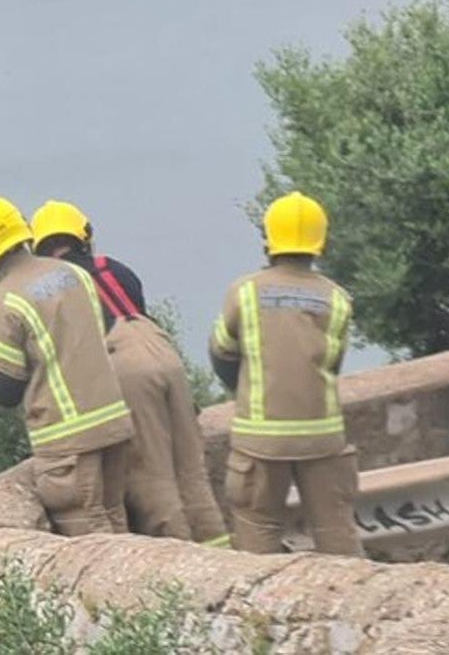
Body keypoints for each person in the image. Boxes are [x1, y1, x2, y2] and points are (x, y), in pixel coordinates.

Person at [29, 200, 229, 546]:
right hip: (163, 351)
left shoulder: (50, 287)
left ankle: (182, 566)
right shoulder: (114, 268)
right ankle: (221, 555)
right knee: (190, 468)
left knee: (152, 477)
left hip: (121, 364)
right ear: (84, 237)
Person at [0, 195, 134, 536]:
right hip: (112, 423)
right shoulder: (73, 274)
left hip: (67, 442)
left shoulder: (5, 302)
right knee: (118, 525)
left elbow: (8, 389)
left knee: (92, 546)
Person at [208, 191, 362, 556]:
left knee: (255, 536)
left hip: (259, 440)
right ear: (319, 241)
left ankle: (258, 610)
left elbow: (221, 352)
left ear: (268, 240)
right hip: (322, 436)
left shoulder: (243, 293)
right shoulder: (338, 298)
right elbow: (332, 364)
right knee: (337, 534)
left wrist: (243, 392)